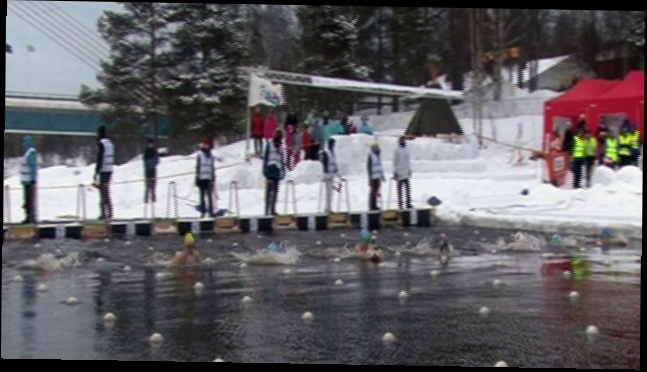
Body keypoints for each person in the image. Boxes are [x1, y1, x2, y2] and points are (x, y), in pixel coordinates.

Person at [263, 129, 285, 216]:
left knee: (275, 191)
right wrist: (264, 169)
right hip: (270, 169)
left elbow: (281, 159)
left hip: (277, 170)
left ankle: (273, 209)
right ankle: (266, 210)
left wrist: (283, 170)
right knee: (269, 191)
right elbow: (266, 157)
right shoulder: (270, 144)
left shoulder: (281, 146)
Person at [95, 125, 114, 220]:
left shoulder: (101, 143)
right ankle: (110, 212)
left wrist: (96, 172)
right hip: (110, 170)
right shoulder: (110, 143)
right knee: (106, 192)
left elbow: (100, 158)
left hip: (103, 171)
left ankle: (103, 213)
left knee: (102, 193)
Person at [19, 135, 38, 224]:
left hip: (29, 182)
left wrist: (33, 179)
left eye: (24, 142)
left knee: (29, 200)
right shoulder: (27, 153)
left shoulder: (31, 153)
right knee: (27, 200)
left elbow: (33, 167)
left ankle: (30, 218)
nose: (23, 144)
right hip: (26, 182)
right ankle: (28, 217)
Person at [195, 138, 216, 218]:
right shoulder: (200, 154)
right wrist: (197, 178)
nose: (206, 146)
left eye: (207, 144)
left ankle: (211, 212)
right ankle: (203, 212)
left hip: (209, 178)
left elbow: (212, 167)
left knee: (210, 196)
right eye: (205, 144)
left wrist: (213, 178)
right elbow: (197, 167)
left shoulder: (211, 155)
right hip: (201, 178)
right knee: (202, 196)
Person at [393, 135, 414, 210]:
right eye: (402, 140)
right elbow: (395, 162)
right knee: (400, 191)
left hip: (406, 172)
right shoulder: (396, 150)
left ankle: (408, 203)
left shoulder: (406, 149)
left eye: (404, 140)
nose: (403, 141)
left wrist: (409, 170)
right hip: (399, 173)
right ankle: (400, 205)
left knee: (407, 189)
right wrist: (395, 172)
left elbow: (408, 161)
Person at [320, 137, 340, 214]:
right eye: (333, 144)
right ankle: (327, 209)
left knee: (331, 193)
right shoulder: (326, 152)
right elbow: (324, 163)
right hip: (327, 174)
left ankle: (329, 208)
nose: (333, 145)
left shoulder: (332, 152)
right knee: (328, 193)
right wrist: (325, 172)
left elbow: (334, 163)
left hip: (332, 174)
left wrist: (336, 170)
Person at [367, 142, 386, 211]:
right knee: (373, 191)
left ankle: (375, 205)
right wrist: (369, 178)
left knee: (376, 191)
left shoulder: (378, 155)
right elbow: (369, 167)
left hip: (378, 176)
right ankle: (371, 205)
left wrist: (382, 176)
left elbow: (380, 166)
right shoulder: (371, 155)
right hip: (373, 177)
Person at [143, 138, 159, 204]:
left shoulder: (154, 151)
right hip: (148, 171)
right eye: (150, 143)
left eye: (152, 143)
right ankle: (146, 200)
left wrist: (154, 161)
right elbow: (146, 161)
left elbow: (157, 161)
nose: (151, 145)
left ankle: (153, 200)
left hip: (153, 170)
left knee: (153, 186)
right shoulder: (146, 152)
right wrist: (153, 161)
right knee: (147, 187)